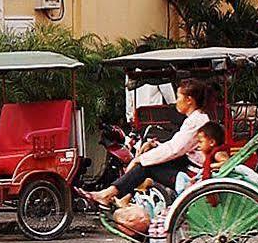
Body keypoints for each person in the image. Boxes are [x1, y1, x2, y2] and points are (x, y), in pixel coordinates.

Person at [80, 78, 215, 207]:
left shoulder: (195, 121)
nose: (176, 101)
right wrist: (152, 148)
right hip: (187, 163)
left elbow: (174, 149)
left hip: (193, 171)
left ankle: (109, 194)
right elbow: (176, 146)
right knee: (148, 162)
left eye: (178, 97)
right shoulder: (197, 118)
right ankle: (117, 196)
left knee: (147, 166)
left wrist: (139, 159)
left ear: (189, 100)